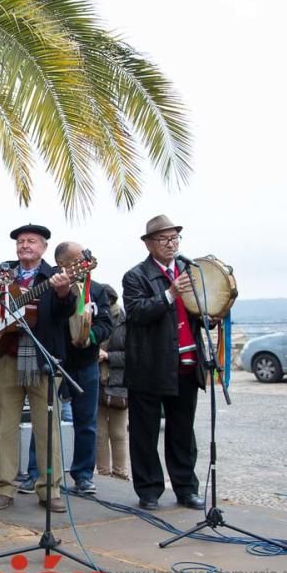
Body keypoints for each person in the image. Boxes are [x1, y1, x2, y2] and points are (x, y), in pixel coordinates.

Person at [0, 224, 75, 512]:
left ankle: (49, 489)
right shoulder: (3, 271)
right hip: (6, 353)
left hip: (41, 355)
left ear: (44, 247)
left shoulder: (53, 275)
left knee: (47, 427)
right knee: (4, 425)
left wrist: (63, 291)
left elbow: (64, 312)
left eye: (31, 241)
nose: (24, 246)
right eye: (20, 241)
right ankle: (4, 487)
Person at [122, 215, 206, 511]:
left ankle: (186, 488)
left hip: (186, 362)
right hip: (149, 366)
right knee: (144, 433)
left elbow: (198, 310)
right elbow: (137, 312)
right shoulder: (136, 276)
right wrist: (170, 293)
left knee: (183, 430)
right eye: (164, 239)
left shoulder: (189, 270)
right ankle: (149, 490)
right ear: (149, 244)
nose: (171, 244)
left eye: (174, 239)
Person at [54, 242, 111, 495]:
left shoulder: (96, 291)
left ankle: (83, 475)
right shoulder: (54, 290)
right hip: (58, 363)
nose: (84, 263)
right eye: (78, 259)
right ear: (63, 265)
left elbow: (106, 324)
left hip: (87, 364)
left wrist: (91, 338)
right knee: (47, 420)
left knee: (86, 422)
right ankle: (38, 472)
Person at [97, 284, 129, 480]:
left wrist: (108, 356)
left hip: (119, 382)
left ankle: (120, 473)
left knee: (118, 433)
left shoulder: (126, 322)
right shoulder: (96, 318)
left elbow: (134, 355)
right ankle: (102, 474)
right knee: (99, 433)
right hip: (97, 380)